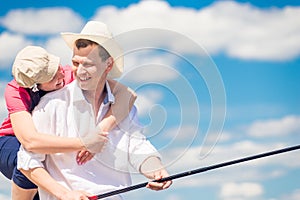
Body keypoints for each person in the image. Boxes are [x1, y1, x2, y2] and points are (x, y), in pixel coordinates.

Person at [17, 21, 172, 200]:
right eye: (76, 63)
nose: (80, 71)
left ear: (108, 64)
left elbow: (137, 146)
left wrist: (155, 169)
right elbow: (27, 163)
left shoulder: (125, 108)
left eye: (88, 64)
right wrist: (65, 194)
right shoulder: (50, 105)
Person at [0, 45, 137, 199]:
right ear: (35, 87)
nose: (60, 76)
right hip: (11, 141)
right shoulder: (15, 91)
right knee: (26, 161)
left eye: (56, 68)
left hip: (47, 137)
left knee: (49, 184)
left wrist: (100, 130)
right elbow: (30, 141)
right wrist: (85, 143)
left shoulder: (69, 73)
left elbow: (127, 94)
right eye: (50, 78)